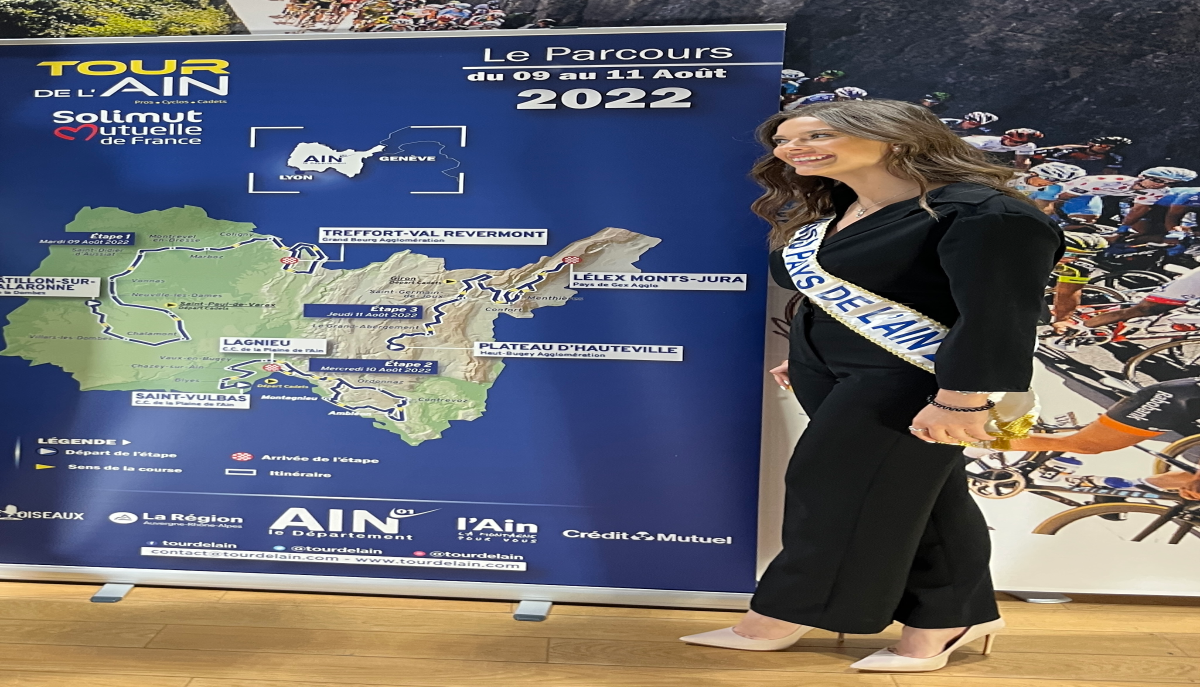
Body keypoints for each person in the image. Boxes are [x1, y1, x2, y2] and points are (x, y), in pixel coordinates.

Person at [679, 100, 1062, 672]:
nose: (791, 148)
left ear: (896, 138)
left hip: (914, 378)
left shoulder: (984, 213)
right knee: (926, 500)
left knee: (831, 490)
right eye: (783, 140)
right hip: (834, 373)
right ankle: (951, 615)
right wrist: (810, 354)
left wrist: (961, 399)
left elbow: (996, 314)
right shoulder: (845, 207)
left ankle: (782, 614)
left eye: (817, 134)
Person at [1006, 377, 1200, 499]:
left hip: (1188, 401)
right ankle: (989, 442)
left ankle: (1137, 487)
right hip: (1173, 401)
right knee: (1085, 445)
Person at [1030, 136, 1133, 176]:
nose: (1105, 149)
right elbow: (1046, 162)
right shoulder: (1068, 150)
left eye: (1111, 147)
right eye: (1103, 145)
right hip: (1043, 165)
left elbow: (1110, 173)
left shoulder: (1114, 157)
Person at [962, 128, 1044, 169]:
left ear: (1020, 143)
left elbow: (1022, 163)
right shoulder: (978, 142)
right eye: (1015, 131)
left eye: (1020, 135)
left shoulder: (1027, 146)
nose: (1014, 132)